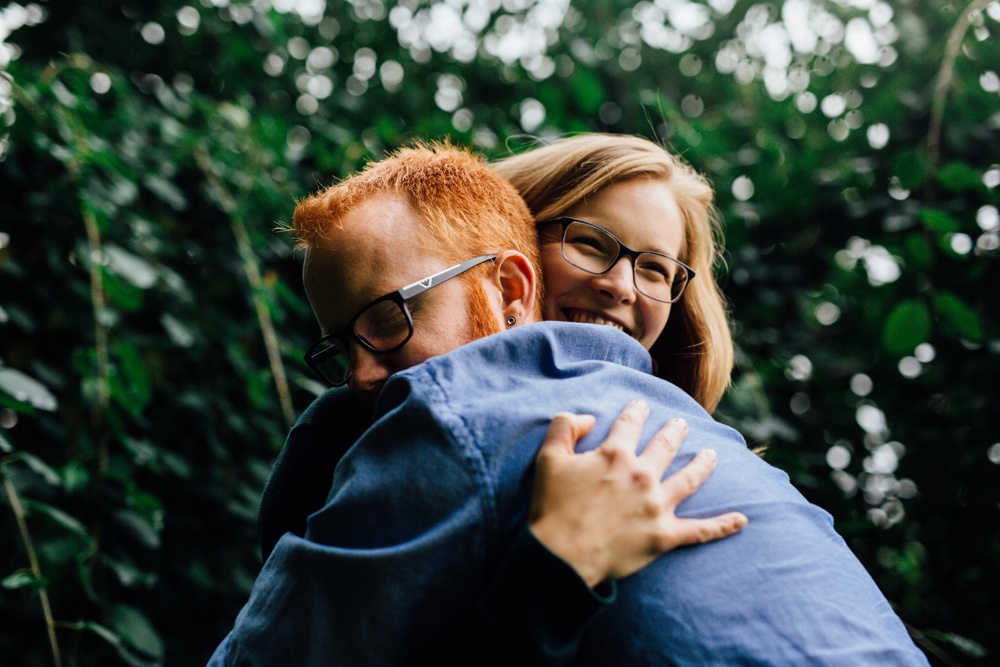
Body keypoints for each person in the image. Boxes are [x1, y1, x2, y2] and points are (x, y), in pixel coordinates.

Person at [212, 140, 927, 666]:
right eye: (591, 243)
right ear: (516, 254)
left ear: (510, 285)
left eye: (654, 268)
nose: (621, 286)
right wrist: (553, 571)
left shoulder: (458, 413)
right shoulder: (718, 460)